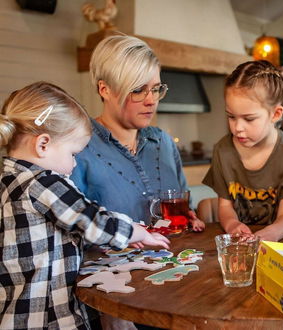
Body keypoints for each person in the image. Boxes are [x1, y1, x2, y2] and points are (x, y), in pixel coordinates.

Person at [0, 81, 169, 329]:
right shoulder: (43, 183)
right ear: (42, 144)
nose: (75, 164)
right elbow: (89, 218)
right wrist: (134, 231)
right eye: (73, 154)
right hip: (49, 317)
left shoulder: (8, 180)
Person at [70, 34, 204, 232]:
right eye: (139, 90)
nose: (151, 100)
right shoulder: (77, 148)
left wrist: (190, 218)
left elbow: (184, 207)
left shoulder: (163, 142)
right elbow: (71, 228)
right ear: (104, 89)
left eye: (156, 89)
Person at [203, 60, 283, 242]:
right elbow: (225, 207)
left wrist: (269, 234)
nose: (238, 127)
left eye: (249, 119)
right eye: (231, 117)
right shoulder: (222, 151)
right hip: (242, 242)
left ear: (275, 114)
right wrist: (233, 225)